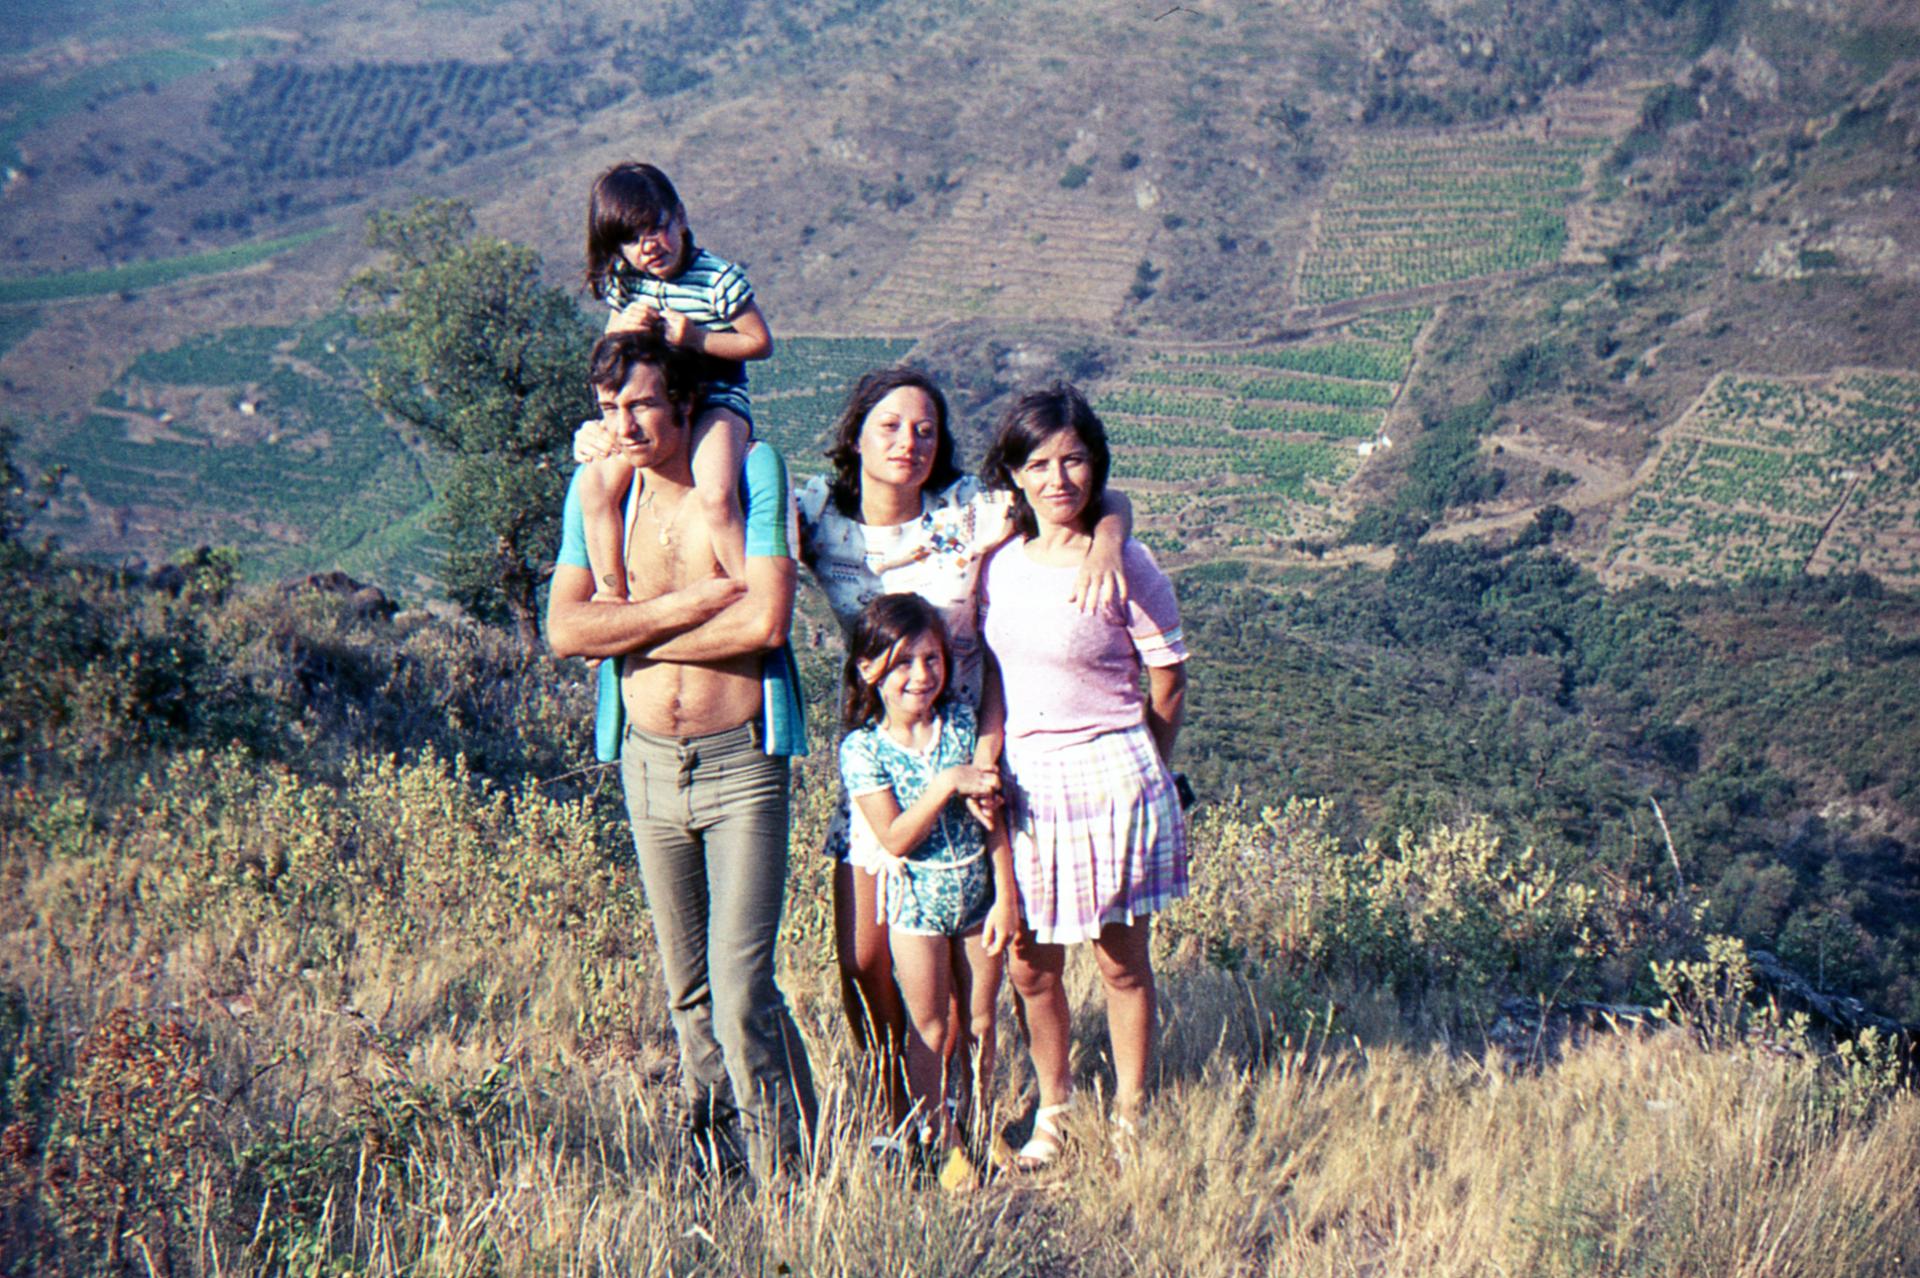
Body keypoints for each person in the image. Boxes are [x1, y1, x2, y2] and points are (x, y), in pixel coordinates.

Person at [792, 367, 1135, 1127]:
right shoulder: (817, 516)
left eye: (925, 428)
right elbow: (733, 511)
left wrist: (1111, 541)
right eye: (889, 426)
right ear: (856, 434)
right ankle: (899, 1107)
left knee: (976, 953)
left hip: (971, 750)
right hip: (880, 758)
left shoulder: (970, 512)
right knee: (866, 958)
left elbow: (1079, 490)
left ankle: (968, 1116)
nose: (908, 442)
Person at [546, 330, 815, 1183]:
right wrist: (694, 604)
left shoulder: (747, 476)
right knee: (687, 991)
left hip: (740, 765)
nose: (624, 425)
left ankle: (790, 1180)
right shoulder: (596, 495)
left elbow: (766, 621)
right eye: (608, 408)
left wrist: (629, 639)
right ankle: (719, 1162)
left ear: (685, 402)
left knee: (741, 992)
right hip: (648, 766)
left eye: (641, 405)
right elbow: (565, 629)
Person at [977, 384, 1189, 1168]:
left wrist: (1145, 770)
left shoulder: (1126, 561)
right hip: (1027, 783)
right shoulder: (1000, 566)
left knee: (1120, 960)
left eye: (1074, 460)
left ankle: (1131, 1115)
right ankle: (1055, 1112)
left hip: (1113, 778)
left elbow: (1167, 678)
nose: (1057, 478)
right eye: (1038, 463)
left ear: (1096, 467)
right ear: (1015, 476)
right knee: (1032, 966)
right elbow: (996, 674)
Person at [838, 593, 1018, 1191]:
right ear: (870, 670)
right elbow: (893, 837)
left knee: (981, 1021)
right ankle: (941, 1139)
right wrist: (945, 784)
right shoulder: (863, 750)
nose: (921, 676)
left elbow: (992, 819)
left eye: (932, 659)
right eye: (903, 662)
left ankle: (982, 1120)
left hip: (976, 900)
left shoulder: (961, 724)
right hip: (915, 906)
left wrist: (1007, 896)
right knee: (930, 1027)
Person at [580, 162, 772, 590]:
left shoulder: (717, 280)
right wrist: (620, 330)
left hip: (716, 401)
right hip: (652, 406)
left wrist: (697, 338)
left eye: (657, 227)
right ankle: (612, 594)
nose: (648, 246)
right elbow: (609, 350)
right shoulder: (626, 282)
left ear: (681, 217)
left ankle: (751, 594)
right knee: (596, 488)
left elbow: (759, 342)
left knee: (716, 492)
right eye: (630, 238)